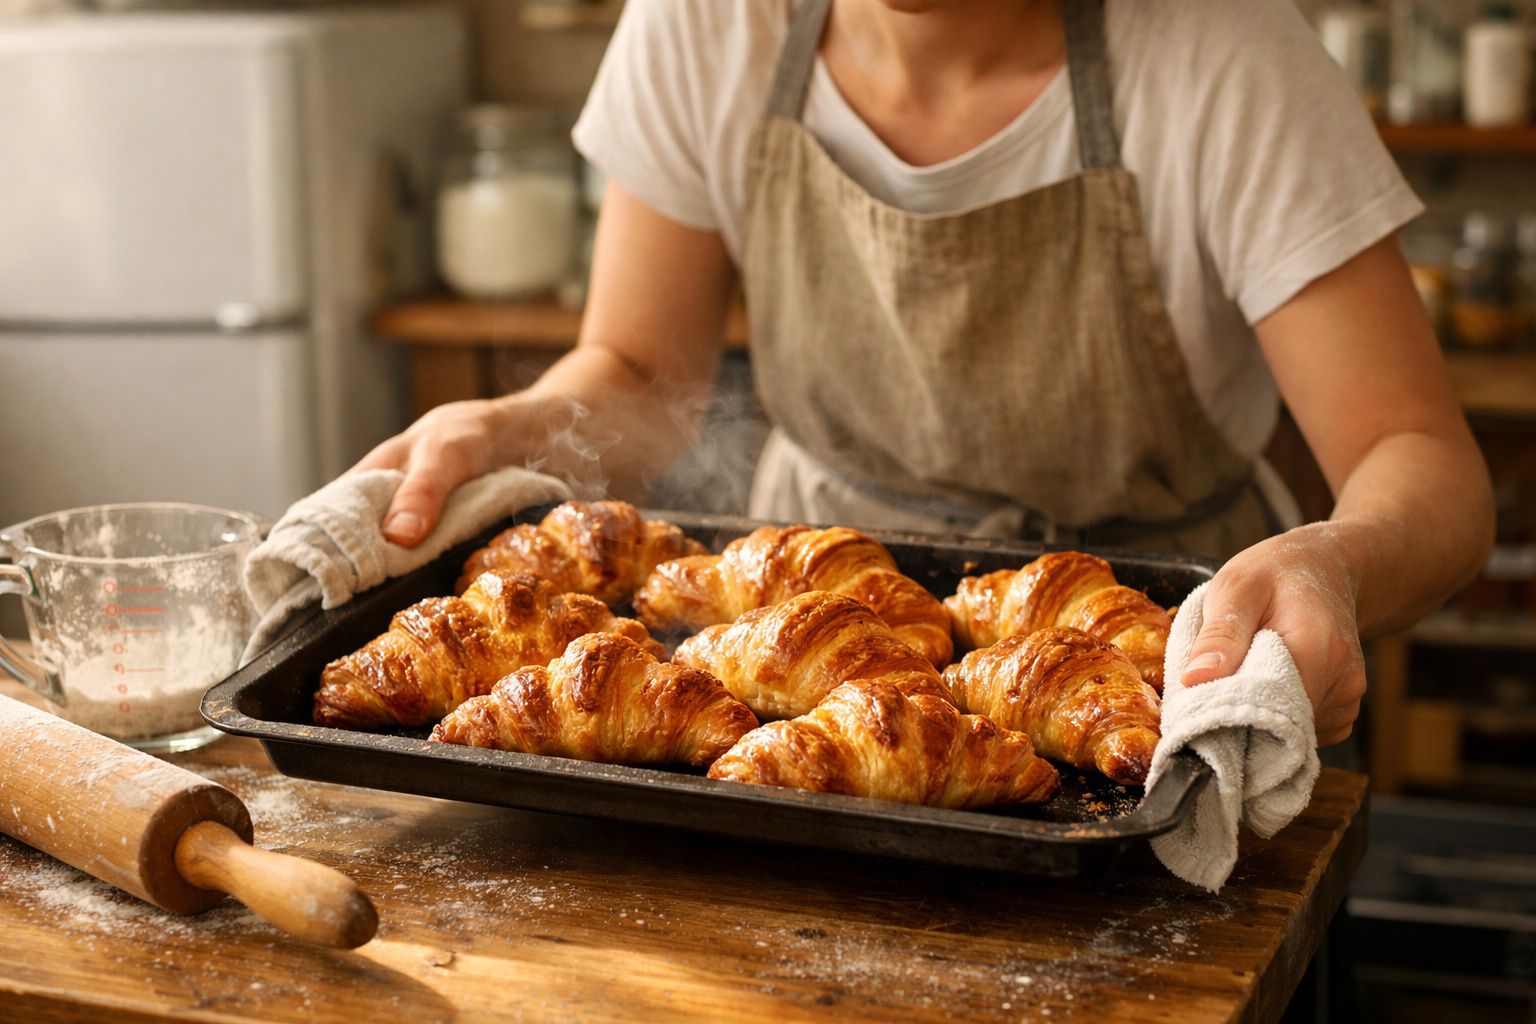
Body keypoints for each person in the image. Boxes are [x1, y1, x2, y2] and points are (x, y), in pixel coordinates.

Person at [356, 0, 1494, 747]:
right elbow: (644, 372)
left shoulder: (1224, 53)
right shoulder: (710, 21)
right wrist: (522, 427)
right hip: (806, 642)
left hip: (1170, 655)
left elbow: (1423, 461)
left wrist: (1334, 563)